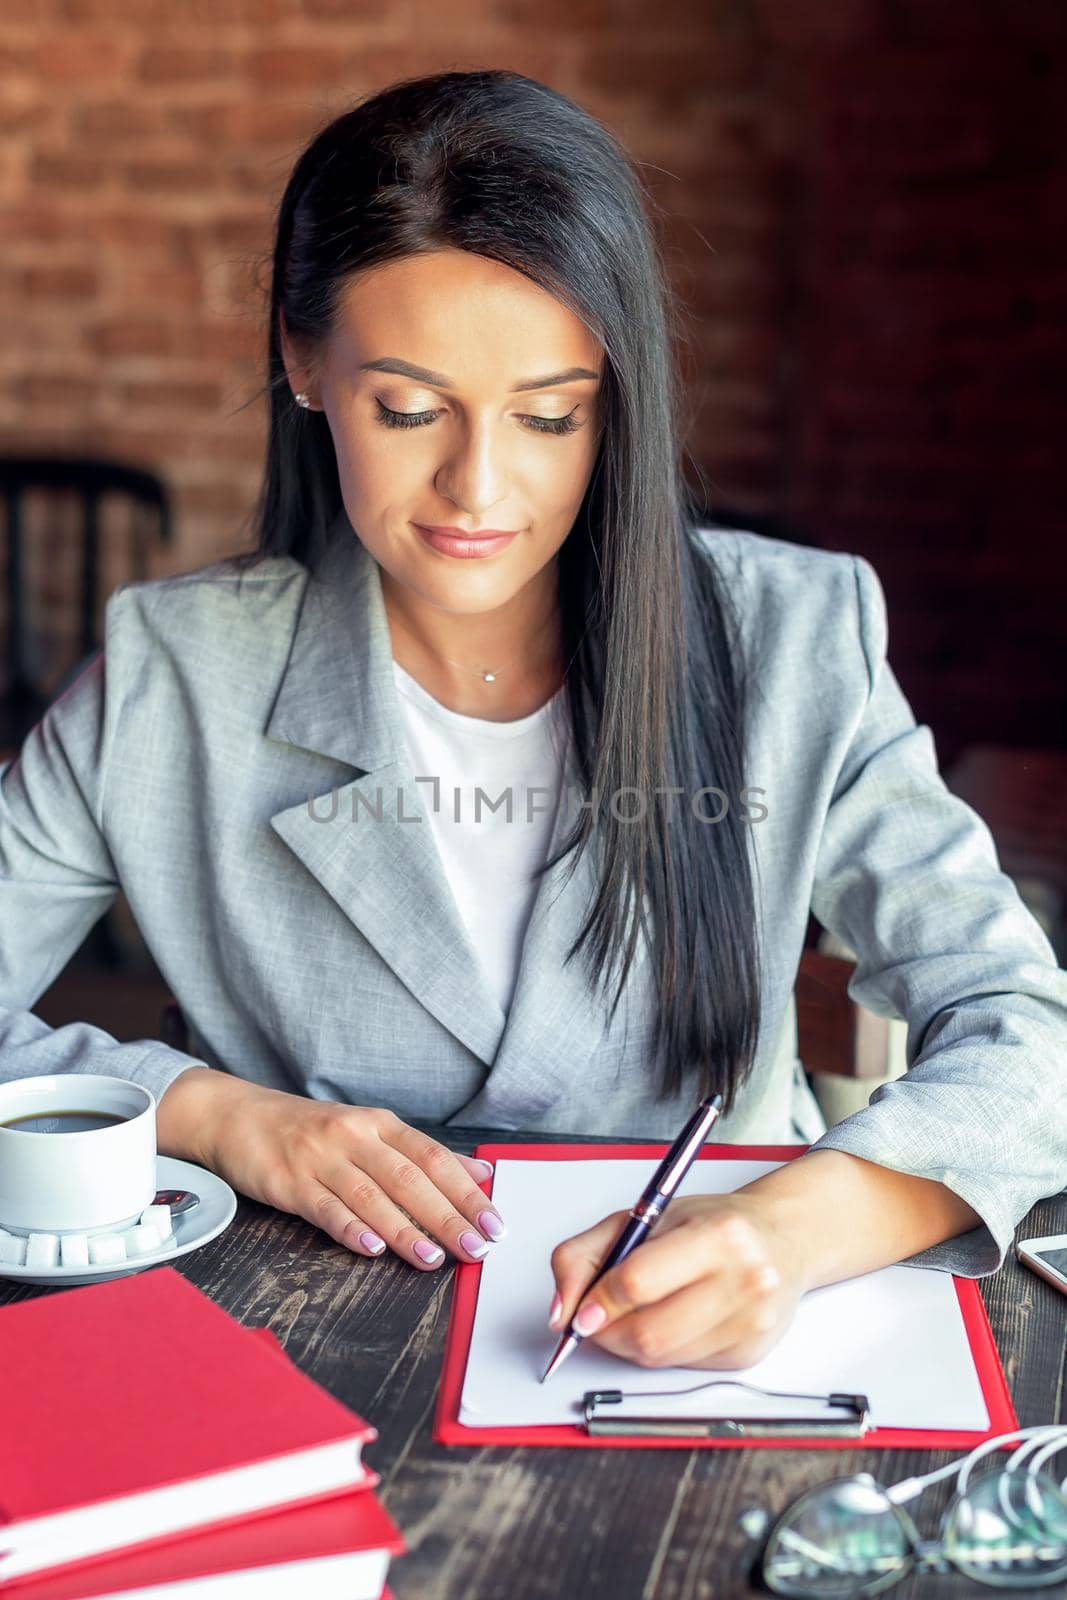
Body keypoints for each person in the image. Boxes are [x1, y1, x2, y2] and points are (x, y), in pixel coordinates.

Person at [2, 69, 1065, 1374]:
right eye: (406, 409)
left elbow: (1027, 1026)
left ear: (616, 394)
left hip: (712, 1364)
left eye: (551, 415)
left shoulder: (793, 641)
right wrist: (215, 1116)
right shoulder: (170, 676)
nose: (479, 487)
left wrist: (792, 1230)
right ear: (300, 360)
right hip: (290, 1356)